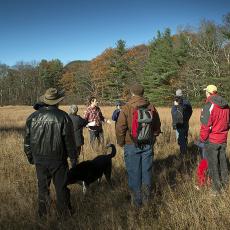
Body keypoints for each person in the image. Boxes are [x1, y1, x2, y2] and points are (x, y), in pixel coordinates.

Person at [24, 88, 77, 218]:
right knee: (61, 188)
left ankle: (43, 215)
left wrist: (32, 158)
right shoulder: (64, 116)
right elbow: (69, 142)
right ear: (57, 102)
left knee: (42, 188)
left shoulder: (32, 117)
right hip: (58, 160)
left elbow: (27, 142)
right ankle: (64, 215)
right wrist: (74, 159)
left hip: (40, 160)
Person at [116, 83, 161, 207]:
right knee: (146, 172)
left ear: (132, 93)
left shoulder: (126, 107)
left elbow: (120, 127)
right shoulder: (151, 106)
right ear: (143, 93)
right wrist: (154, 136)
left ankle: (136, 202)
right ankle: (147, 201)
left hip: (131, 145)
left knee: (134, 173)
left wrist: (121, 142)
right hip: (148, 144)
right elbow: (157, 125)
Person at [200, 84, 230, 194]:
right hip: (223, 139)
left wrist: (203, 139)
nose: (205, 93)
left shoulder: (209, 105)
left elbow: (205, 125)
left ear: (208, 93)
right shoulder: (226, 105)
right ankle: (226, 184)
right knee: (223, 162)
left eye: (206, 92)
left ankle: (216, 190)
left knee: (213, 164)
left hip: (212, 139)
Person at [171, 89, 193, 155]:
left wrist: (175, 106)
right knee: (185, 136)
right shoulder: (187, 102)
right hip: (186, 123)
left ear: (176, 94)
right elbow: (190, 112)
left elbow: (173, 114)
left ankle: (183, 153)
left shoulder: (176, 102)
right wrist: (187, 119)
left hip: (179, 124)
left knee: (180, 138)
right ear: (182, 94)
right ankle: (185, 150)